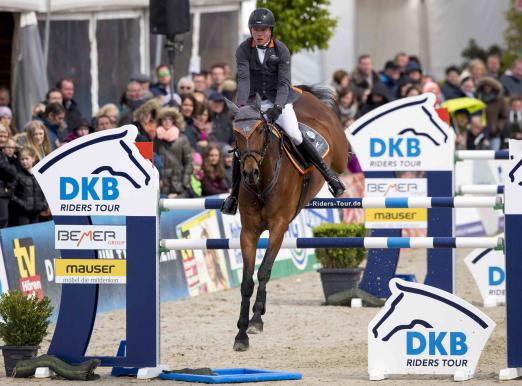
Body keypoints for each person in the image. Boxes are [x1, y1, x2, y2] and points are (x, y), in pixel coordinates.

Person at [221, 8, 345, 214]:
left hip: (280, 100)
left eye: (263, 29)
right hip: (253, 103)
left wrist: (277, 109)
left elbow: (284, 83)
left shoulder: (281, 49)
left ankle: (329, 176)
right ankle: (234, 195)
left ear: (270, 30)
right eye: (255, 29)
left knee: (295, 134)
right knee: (244, 142)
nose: (259, 33)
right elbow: (243, 79)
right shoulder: (243, 49)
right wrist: (243, 107)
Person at [154, 107, 193, 198]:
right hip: (161, 186)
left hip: (178, 186)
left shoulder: (182, 139)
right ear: (160, 121)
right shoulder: (155, 139)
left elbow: (189, 162)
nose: (167, 122)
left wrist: (184, 183)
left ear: (174, 121)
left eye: (170, 119)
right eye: (164, 119)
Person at [11, 147, 48, 225]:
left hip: (38, 213)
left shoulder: (40, 175)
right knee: (25, 235)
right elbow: (11, 194)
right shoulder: (17, 175)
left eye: (26, 159)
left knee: (37, 235)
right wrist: (23, 204)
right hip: (23, 213)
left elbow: (47, 191)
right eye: (22, 159)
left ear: (33, 159)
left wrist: (44, 205)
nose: (24, 162)